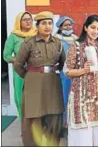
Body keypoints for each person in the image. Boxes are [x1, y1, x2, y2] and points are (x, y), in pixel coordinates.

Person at [14, 11, 65, 146]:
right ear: (37, 26)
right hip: (33, 84)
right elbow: (18, 65)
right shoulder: (29, 43)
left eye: (50, 23)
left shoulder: (58, 43)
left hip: (53, 83)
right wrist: (30, 76)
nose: (47, 26)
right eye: (44, 23)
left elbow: (63, 63)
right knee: (33, 116)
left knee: (54, 116)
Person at [64, 14, 98, 146]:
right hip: (80, 97)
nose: (95, 31)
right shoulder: (75, 46)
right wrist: (83, 70)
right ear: (86, 27)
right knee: (82, 135)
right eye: (93, 27)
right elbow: (68, 72)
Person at [3, 11, 37, 119]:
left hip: (36, 70)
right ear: (19, 22)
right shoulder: (14, 36)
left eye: (30, 19)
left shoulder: (37, 34)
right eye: (25, 20)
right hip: (20, 71)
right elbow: (6, 55)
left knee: (37, 95)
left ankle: (37, 122)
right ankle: (24, 122)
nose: (28, 22)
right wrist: (18, 60)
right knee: (21, 97)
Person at [54, 16, 78, 129]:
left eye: (70, 25)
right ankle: (64, 123)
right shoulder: (56, 39)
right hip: (62, 73)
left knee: (73, 97)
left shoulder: (76, 39)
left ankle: (73, 122)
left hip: (76, 72)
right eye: (65, 25)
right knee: (63, 97)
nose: (68, 27)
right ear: (60, 27)